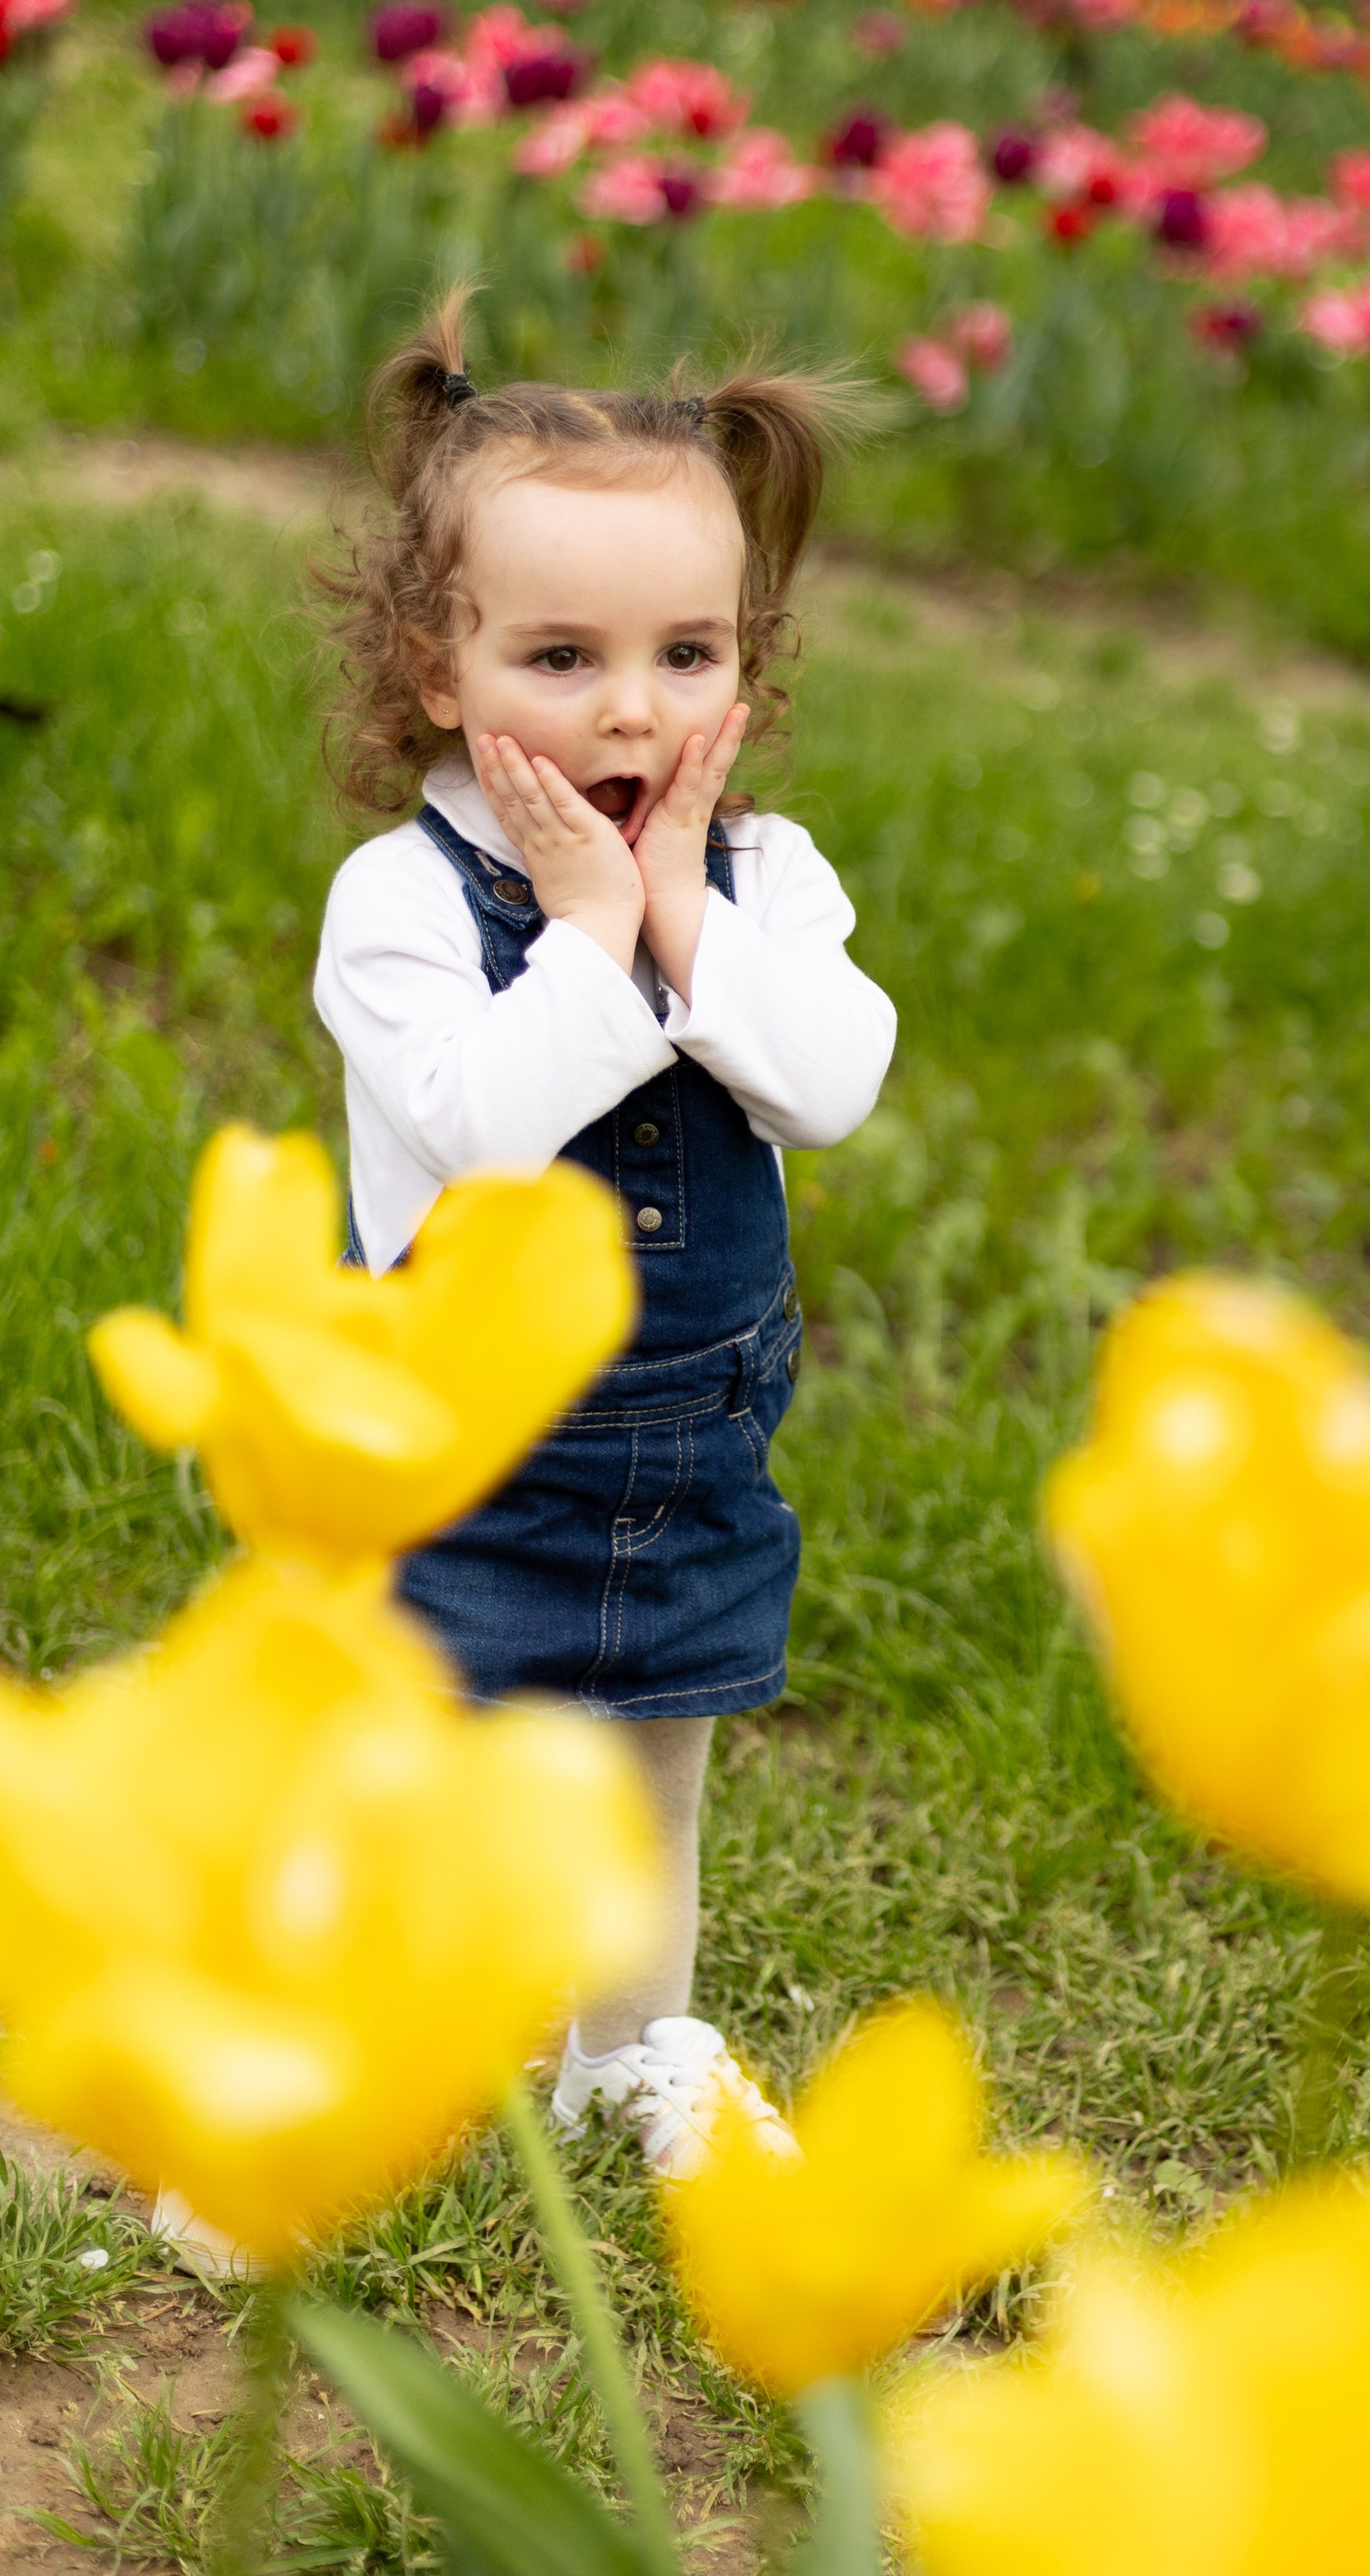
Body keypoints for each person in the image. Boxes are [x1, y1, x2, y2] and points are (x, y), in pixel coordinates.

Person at [311, 291, 895, 2179]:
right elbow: (483, 1128)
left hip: (693, 1439)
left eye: (684, 652)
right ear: (434, 668)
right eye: (560, 656)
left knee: (657, 1759)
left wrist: (673, 916)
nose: (631, 709)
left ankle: (629, 2053)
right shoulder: (397, 906)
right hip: (467, 1444)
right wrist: (584, 931)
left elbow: (827, 1080)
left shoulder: (763, 883)